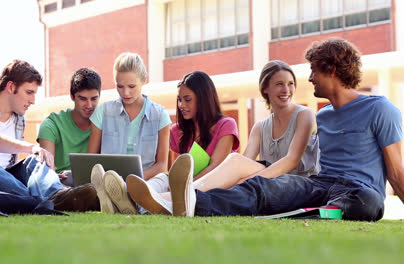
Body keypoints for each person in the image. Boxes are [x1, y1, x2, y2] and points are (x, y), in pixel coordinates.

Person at [129, 38, 404, 221]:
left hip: (359, 191)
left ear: (332, 69)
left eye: (314, 71)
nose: (309, 78)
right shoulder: (326, 116)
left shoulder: (380, 109)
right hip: (320, 185)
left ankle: (307, 214)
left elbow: (396, 170)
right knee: (264, 188)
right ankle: (187, 204)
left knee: (362, 204)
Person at [127, 60, 319, 214]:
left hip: (300, 183)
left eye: (290, 84)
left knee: (234, 169)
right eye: (279, 84)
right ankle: (145, 199)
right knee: (234, 162)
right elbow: (243, 162)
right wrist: (242, 179)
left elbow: (292, 161)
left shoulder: (305, 115)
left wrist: (250, 180)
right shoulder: (260, 127)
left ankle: (174, 197)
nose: (286, 90)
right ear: (265, 89)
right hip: (269, 182)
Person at [0, 60, 99, 212]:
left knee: (34, 160)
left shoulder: (19, 118)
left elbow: (5, 171)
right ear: (11, 87)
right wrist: (32, 147)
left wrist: (45, 177)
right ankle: (35, 201)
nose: (33, 100)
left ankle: (56, 194)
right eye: (29, 92)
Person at [88, 52, 172, 214]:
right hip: (109, 179)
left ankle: (119, 199)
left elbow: (161, 165)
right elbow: (91, 160)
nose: (125, 93)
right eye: (120, 86)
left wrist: (131, 181)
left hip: (147, 181)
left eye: (132, 86)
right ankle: (127, 201)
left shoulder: (160, 115)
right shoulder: (102, 112)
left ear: (144, 80)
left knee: (162, 180)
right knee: (104, 181)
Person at [38, 68, 101, 186]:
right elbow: (47, 173)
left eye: (94, 99)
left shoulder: (104, 124)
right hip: (60, 186)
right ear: (72, 96)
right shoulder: (51, 124)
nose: (89, 105)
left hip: (92, 185)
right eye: (82, 99)